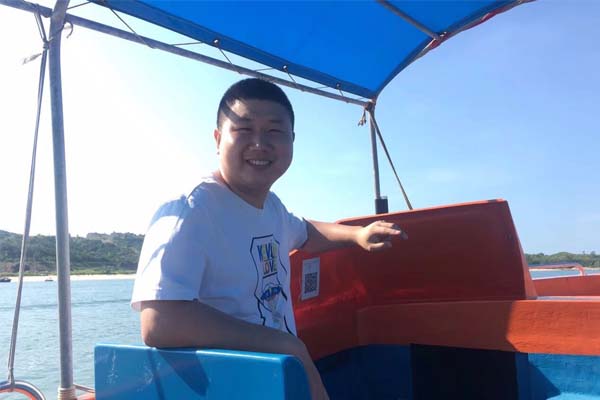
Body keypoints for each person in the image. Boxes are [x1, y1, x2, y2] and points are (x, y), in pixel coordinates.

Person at [131, 78, 407, 400]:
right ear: (218, 139)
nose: (259, 143)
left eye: (274, 131)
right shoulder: (190, 210)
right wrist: (286, 345)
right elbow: (160, 321)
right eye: (244, 129)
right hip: (227, 388)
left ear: (292, 140)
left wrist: (357, 234)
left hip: (277, 380)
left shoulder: (271, 206)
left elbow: (304, 231)